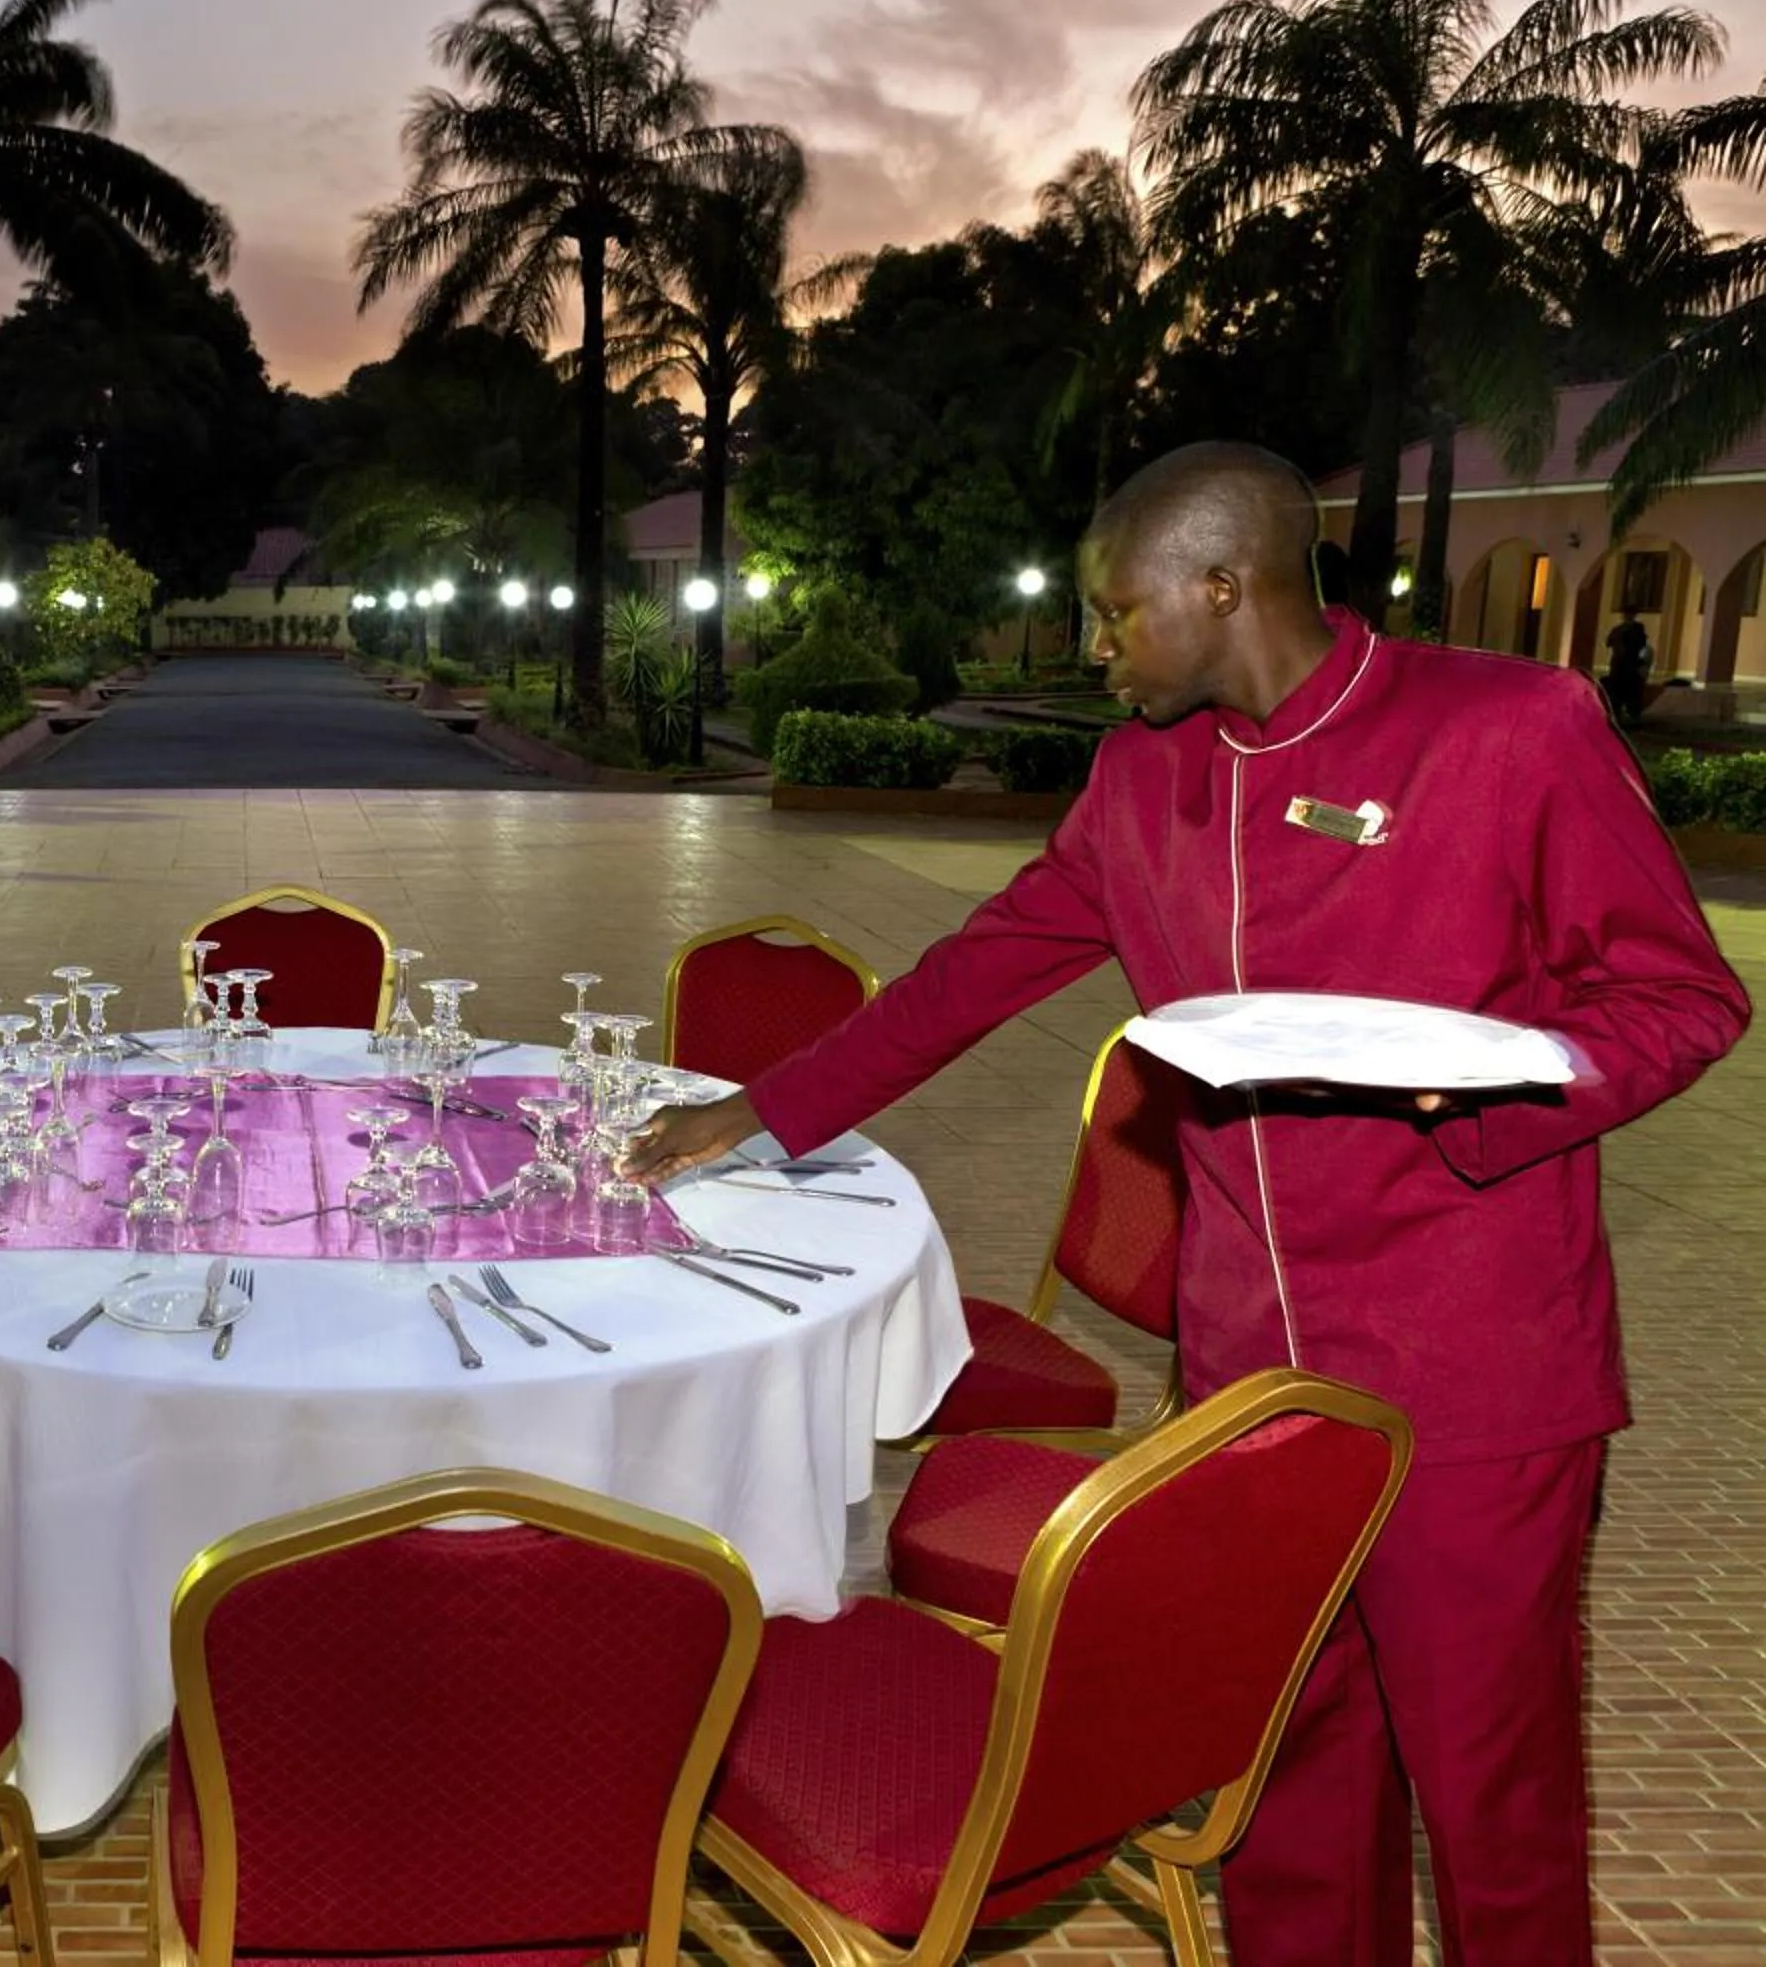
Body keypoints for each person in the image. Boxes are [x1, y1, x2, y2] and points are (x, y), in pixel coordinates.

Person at [626, 442, 1749, 1967]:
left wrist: (1494, 1079)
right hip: (1248, 1380)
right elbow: (980, 965)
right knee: (1287, 1762)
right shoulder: (1142, 776)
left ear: (1223, 587)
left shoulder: (1507, 729)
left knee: (1493, 1789)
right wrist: (764, 1109)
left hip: (1475, 1371)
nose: (1097, 647)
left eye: (1116, 612)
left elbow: (1681, 997)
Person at [1604, 613, 1653, 726]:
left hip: (1621, 664)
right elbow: (1641, 643)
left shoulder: (1620, 629)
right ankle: (1627, 713)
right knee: (1628, 689)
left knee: (1621, 690)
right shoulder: (1635, 630)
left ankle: (1620, 713)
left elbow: (1608, 642)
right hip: (1626, 664)